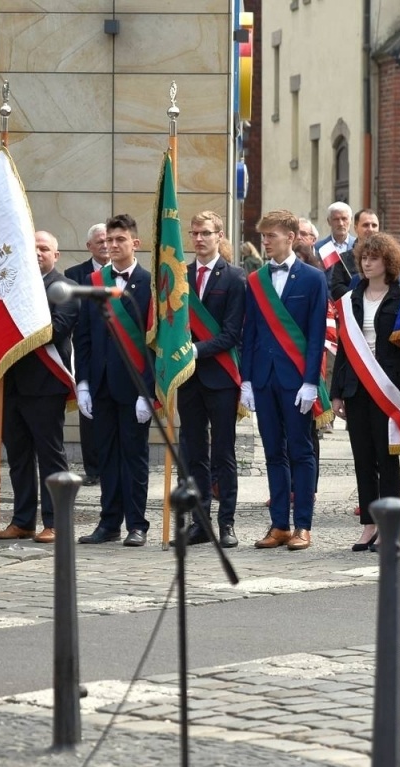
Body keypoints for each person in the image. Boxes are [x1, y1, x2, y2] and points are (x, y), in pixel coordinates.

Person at [243, 209, 329, 550]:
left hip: (296, 381)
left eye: (272, 236)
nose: (265, 242)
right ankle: (279, 524)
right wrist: (246, 380)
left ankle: (303, 525)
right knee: (273, 452)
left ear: (291, 238)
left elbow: (316, 333)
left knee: (301, 451)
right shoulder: (255, 279)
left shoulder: (312, 278)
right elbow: (250, 332)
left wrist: (311, 381)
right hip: (263, 379)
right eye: (263, 236)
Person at [74, 214, 154, 547]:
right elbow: (85, 337)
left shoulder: (150, 283)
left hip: (134, 386)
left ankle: (137, 523)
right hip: (101, 383)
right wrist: (83, 384)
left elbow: (153, 341)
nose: (113, 245)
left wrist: (147, 393)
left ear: (135, 243)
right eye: (109, 240)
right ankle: (109, 523)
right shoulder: (95, 281)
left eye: (120, 240)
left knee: (133, 457)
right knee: (105, 456)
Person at [0, 230, 78, 544]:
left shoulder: (66, 287)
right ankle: (22, 520)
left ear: (55, 255)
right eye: (31, 248)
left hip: (46, 385)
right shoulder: (11, 288)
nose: (37, 253)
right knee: (18, 457)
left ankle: (57, 521)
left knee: (50, 456)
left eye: (43, 248)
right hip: (12, 383)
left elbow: (58, 330)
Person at [331, 232, 400, 550]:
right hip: (356, 389)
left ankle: (390, 527)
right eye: (364, 257)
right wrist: (336, 392)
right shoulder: (351, 299)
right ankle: (368, 524)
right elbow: (344, 350)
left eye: (373, 257)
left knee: (386, 460)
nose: (367, 262)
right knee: (363, 459)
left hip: (388, 389)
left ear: (387, 262)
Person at [181, 211, 246, 548]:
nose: (199, 239)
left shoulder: (235, 277)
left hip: (220, 377)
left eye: (205, 233)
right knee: (194, 454)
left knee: (223, 454)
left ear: (219, 235)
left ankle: (227, 523)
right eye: (194, 233)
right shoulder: (181, 277)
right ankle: (200, 522)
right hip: (188, 380)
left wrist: (195, 350)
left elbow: (233, 333)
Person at [66, 223, 111, 486]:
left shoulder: (121, 275)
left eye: (108, 240)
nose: (105, 245)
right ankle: (93, 468)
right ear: (89, 246)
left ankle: (111, 464)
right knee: (89, 411)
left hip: (116, 349)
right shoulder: (74, 274)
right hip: (87, 348)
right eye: (100, 241)